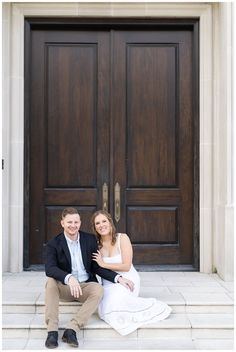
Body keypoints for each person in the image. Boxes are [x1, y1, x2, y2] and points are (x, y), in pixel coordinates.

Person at [45, 207, 134, 349]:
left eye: (76, 222)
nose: (73, 225)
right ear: (62, 223)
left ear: (80, 223)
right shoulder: (53, 243)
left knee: (98, 289)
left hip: (85, 287)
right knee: (50, 282)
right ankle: (52, 332)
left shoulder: (90, 240)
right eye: (69, 222)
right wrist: (69, 278)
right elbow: (50, 268)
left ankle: (72, 329)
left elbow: (96, 267)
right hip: (66, 287)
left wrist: (118, 278)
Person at [91, 210, 172, 336]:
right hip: (109, 282)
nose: (101, 225)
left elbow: (126, 266)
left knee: (118, 298)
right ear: (95, 227)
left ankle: (151, 307)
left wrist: (104, 264)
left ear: (110, 222)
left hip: (128, 279)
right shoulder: (95, 245)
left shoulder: (122, 238)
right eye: (97, 223)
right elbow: (95, 268)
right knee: (106, 305)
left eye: (104, 221)